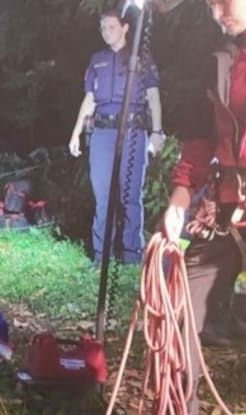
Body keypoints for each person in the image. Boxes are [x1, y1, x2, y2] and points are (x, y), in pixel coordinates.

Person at [160, 0, 246, 415]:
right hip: (228, 210)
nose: (215, 10)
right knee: (177, 302)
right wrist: (180, 201)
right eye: (208, 2)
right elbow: (202, 138)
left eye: (225, 0)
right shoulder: (220, 62)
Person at [69, 9, 165, 265]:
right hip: (102, 134)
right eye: (102, 27)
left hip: (133, 133)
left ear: (124, 28)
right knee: (103, 197)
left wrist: (157, 131)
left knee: (130, 197)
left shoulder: (140, 57)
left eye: (111, 26)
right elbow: (89, 99)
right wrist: (76, 132)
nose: (106, 32)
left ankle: (133, 255)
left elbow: (153, 96)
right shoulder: (97, 59)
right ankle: (102, 256)